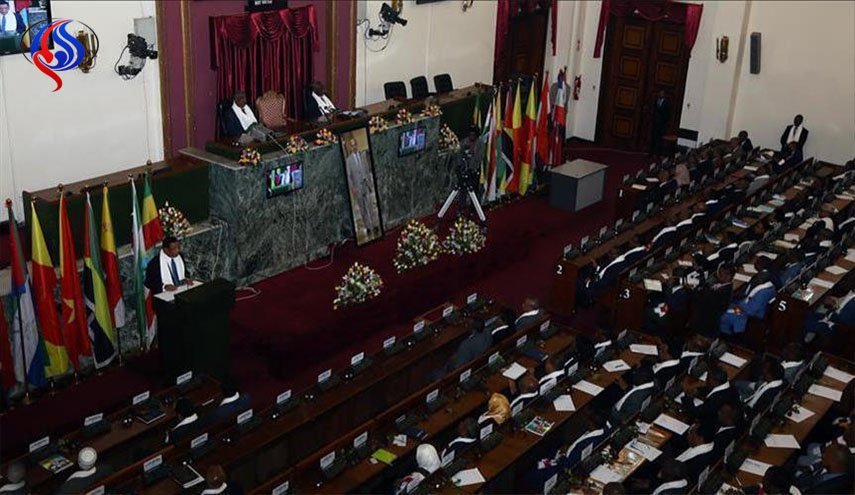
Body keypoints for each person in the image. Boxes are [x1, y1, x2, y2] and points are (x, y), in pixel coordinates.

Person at [651, 90, 671, 157]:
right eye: (660, 93)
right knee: (653, 138)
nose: (660, 94)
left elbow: (668, 113)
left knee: (660, 139)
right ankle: (651, 152)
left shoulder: (666, 102)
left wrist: (665, 122)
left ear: (664, 95)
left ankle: (658, 153)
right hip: (655, 122)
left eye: (662, 93)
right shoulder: (656, 101)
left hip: (662, 124)